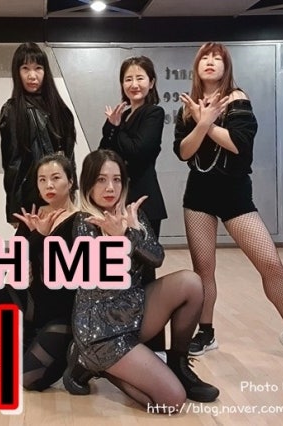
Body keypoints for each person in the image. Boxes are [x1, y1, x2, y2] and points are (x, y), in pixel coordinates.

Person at [173, 42, 283, 368]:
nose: (210, 62)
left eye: (217, 58)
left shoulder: (237, 99)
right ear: (196, 66)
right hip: (198, 195)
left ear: (227, 66)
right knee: (203, 270)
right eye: (205, 57)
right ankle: (206, 331)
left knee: (271, 264)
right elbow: (183, 152)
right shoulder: (187, 107)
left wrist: (208, 122)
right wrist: (200, 122)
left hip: (235, 195)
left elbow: (239, 144)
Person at [62, 149, 219, 408]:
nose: (110, 187)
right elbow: (101, 278)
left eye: (116, 179)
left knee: (191, 283)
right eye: (101, 180)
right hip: (102, 330)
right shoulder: (83, 222)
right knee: (171, 401)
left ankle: (178, 365)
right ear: (88, 184)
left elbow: (157, 257)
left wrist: (129, 234)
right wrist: (119, 239)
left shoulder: (132, 213)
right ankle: (89, 362)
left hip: (134, 310)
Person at [0, 154, 80, 391]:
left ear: (70, 181)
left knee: (29, 380)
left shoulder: (80, 221)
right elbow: (15, 261)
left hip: (60, 312)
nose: (48, 185)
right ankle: (11, 352)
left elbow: (64, 272)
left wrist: (40, 238)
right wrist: (33, 234)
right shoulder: (35, 214)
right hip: (32, 302)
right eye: (42, 180)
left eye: (56, 178)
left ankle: (72, 357)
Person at [99, 55, 168, 352]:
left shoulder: (154, 113)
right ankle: (122, 340)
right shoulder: (121, 116)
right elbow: (104, 154)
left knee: (144, 274)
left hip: (143, 203)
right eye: (128, 79)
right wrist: (113, 126)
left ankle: (153, 346)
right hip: (117, 202)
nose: (134, 84)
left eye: (140, 78)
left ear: (151, 82)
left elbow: (138, 153)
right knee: (119, 272)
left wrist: (117, 128)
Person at [0, 42, 77, 227]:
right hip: (30, 202)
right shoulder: (12, 110)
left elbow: (69, 159)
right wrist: (15, 209)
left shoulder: (61, 110)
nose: (32, 75)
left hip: (60, 196)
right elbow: (12, 164)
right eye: (25, 68)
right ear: (17, 72)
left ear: (45, 71)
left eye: (38, 68)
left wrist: (71, 193)